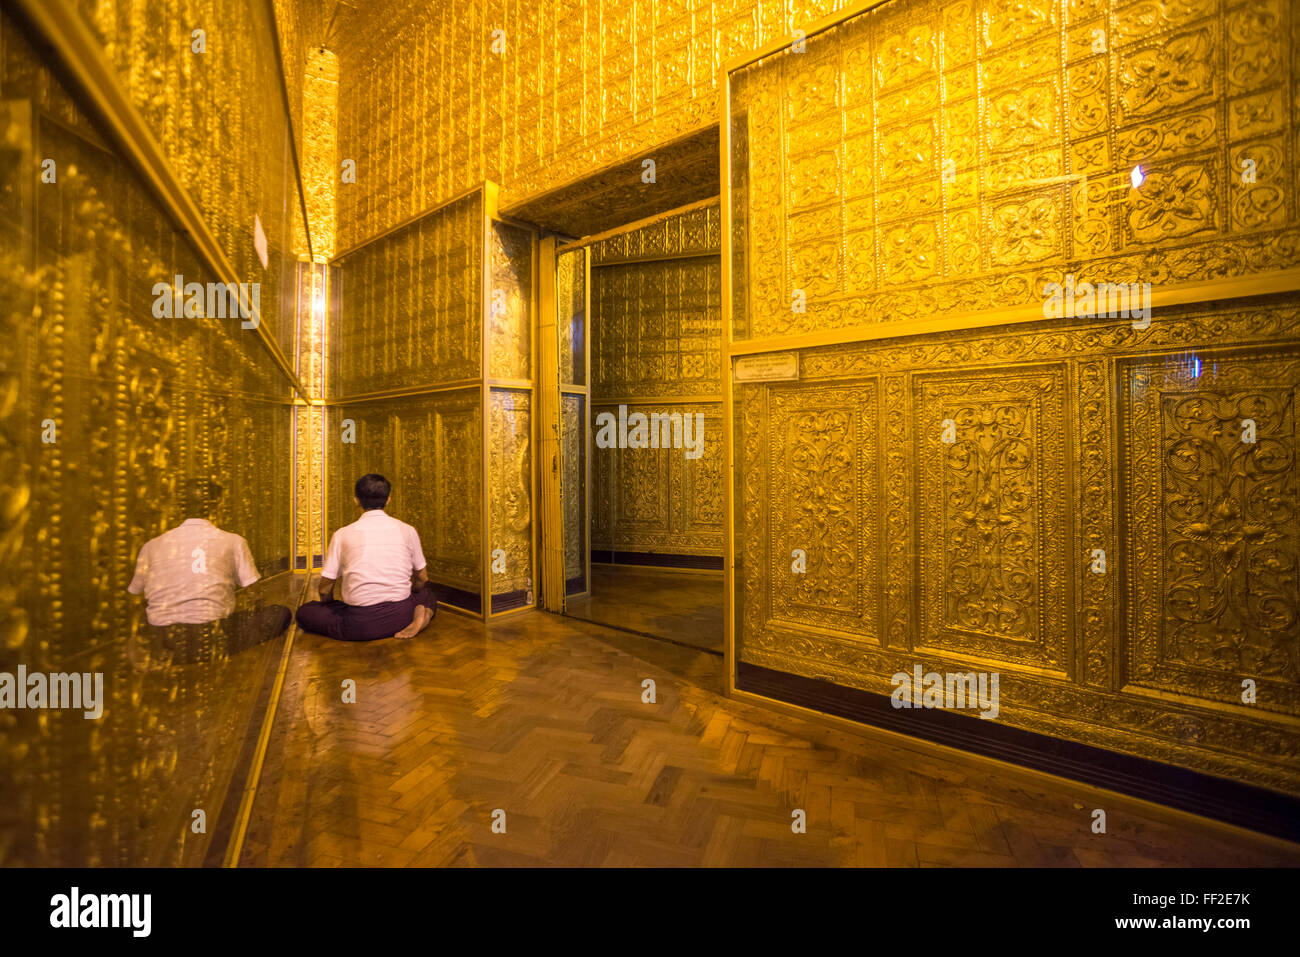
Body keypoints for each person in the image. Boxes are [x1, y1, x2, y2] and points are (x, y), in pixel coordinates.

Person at [128, 478, 291, 664]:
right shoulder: (233, 541)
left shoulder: (151, 546)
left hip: (165, 642)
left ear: (180, 508)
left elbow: (134, 595)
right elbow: (254, 593)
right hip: (211, 639)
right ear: (217, 506)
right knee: (279, 613)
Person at [295, 473, 438, 642]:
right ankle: (421, 614)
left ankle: (414, 611)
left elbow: (325, 588)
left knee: (305, 612)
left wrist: (329, 605)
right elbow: (422, 577)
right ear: (388, 500)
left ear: (356, 501)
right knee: (425, 594)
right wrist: (412, 595)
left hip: (360, 624)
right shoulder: (407, 530)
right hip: (401, 616)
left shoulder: (342, 534)